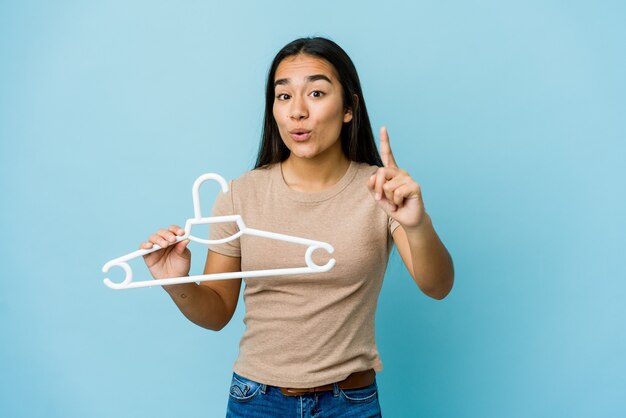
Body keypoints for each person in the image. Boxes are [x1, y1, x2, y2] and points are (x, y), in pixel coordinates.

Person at [140, 37, 454, 417]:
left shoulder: (381, 190)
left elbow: (437, 286)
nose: (297, 112)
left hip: (350, 403)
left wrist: (417, 224)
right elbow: (217, 312)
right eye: (284, 96)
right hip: (255, 401)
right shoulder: (241, 195)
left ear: (349, 108)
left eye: (317, 93)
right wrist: (176, 284)